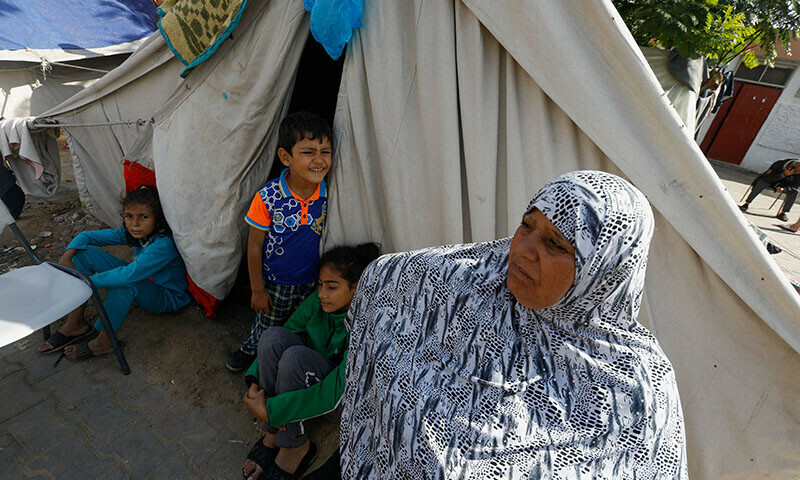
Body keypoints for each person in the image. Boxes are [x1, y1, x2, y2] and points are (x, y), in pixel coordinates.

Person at [340, 171, 687, 479]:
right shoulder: (454, 286)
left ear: (604, 271)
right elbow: (387, 281)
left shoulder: (637, 387)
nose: (522, 250)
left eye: (555, 243)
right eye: (526, 225)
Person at [241, 243, 380, 480]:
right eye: (320, 285)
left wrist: (273, 410)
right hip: (308, 377)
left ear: (355, 289)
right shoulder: (318, 303)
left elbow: (336, 391)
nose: (322, 294)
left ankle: (295, 446)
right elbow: (288, 331)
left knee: (294, 358)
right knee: (272, 337)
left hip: (337, 402)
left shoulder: (363, 326)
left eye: (332, 287)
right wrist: (255, 382)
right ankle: (273, 432)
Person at [226, 112, 333, 372]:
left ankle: (284, 356)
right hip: (277, 283)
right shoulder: (269, 197)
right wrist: (257, 290)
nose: (319, 160)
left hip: (311, 280)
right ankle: (250, 350)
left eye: (326, 151)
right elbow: (254, 247)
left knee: (301, 323)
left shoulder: (329, 191)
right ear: (286, 157)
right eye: (308, 152)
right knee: (267, 323)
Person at [37, 186, 190, 360]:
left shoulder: (164, 244)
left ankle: (105, 341)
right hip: (144, 281)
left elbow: (128, 275)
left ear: (158, 219)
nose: (135, 223)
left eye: (144, 217)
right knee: (82, 254)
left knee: (124, 284)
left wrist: (90, 281)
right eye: (129, 216)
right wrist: (66, 257)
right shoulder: (134, 233)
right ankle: (76, 323)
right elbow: (87, 236)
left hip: (166, 296)